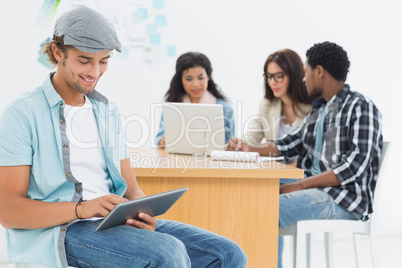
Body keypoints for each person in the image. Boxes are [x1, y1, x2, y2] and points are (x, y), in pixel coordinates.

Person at [0, 6, 247, 268]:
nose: (94, 72)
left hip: (114, 223)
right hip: (62, 231)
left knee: (228, 254)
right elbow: (8, 210)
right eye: (84, 60)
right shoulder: (22, 115)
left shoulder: (107, 112)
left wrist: (144, 212)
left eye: (104, 61)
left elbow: (130, 188)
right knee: (167, 252)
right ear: (57, 52)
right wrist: (81, 209)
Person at [228, 41, 383, 268]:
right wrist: (251, 148)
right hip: (315, 188)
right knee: (250, 191)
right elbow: (292, 143)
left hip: (342, 200)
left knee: (262, 208)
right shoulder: (320, 109)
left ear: (319, 71)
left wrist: (299, 186)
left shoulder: (361, 107)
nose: (303, 78)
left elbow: (353, 167)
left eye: (307, 72)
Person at [243, 49, 312, 164]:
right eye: (269, 76)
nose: (272, 82)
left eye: (279, 76)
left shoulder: (312, 107)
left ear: (294, 75)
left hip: (301, 175)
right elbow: (251, 138)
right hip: (275, 174)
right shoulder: (267, 105)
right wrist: (237, 144)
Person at [156, 52, 235, 148]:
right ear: (181, 80)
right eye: (189, 79)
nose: (196, 84)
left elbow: (231, 146)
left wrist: (231, 146)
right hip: (177, 160)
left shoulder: (225, 109)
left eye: (201, 78)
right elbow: (159, 139)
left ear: (208, 77)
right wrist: (162, 141)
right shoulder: (172, 105)